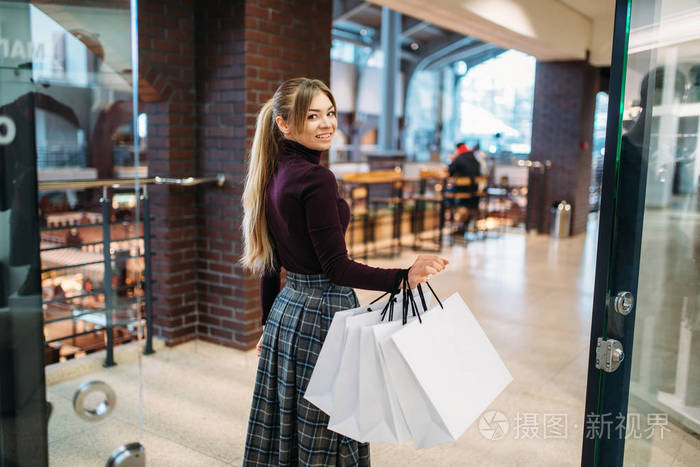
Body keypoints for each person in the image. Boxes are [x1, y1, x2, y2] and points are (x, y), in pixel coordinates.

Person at [240, 78, 447, 466]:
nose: (326, 124)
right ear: (284, 124)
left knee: (290, 422)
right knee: (329, 427)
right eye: (312, 115)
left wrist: (267, 324)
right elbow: (337, 268)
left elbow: (269, 262)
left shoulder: (271, 172)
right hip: (322, 315)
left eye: (330, 113)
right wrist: (403, 276)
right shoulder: (316, 179)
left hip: (288, 313)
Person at [447, 142, 481, 234]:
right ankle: (462, 225)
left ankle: (452, 216)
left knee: (446, 194)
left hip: (462, 193)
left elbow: (450, 172)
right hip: (475, 194)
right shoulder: (474, 159)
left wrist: (452, 160)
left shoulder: (459, 158)